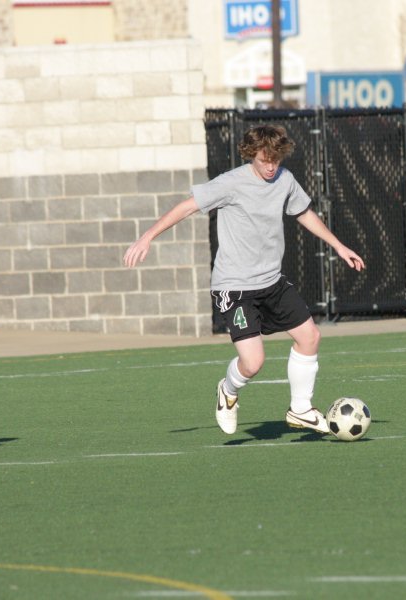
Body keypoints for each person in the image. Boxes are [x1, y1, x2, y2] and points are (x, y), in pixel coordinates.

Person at [124, 124, 365, 435]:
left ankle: (301, 409)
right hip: (235, 287)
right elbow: (186, 207)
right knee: (252, 363)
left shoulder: (285, 180)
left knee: (310, 337)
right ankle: (228, 390)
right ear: (252, 154)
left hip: (272, 282)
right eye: (265, 160)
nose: (270, 166)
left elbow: (303, 212)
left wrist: (338, 245)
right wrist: (147, 238)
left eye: (276, 160)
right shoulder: (231, 183)